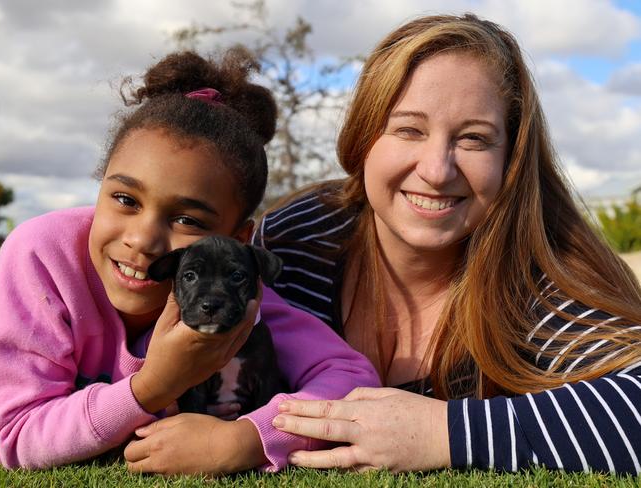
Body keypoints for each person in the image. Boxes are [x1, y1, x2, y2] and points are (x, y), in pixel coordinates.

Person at [252, 14, 641, 474]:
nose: (437, 170)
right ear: (363, 138)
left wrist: (446, 432)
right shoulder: (295, 241)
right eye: (409, 130)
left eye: (474, 139)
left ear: (510, 159)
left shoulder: (539, 279)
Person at [0, 48, 380, 474]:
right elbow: (13, 435)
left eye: (188, 219)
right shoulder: (42, 257)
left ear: (236, 241)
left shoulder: (235, 295)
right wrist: (154, 386)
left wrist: (249, 438)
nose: (142, 240)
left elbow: (351, 377)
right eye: (125, 199)